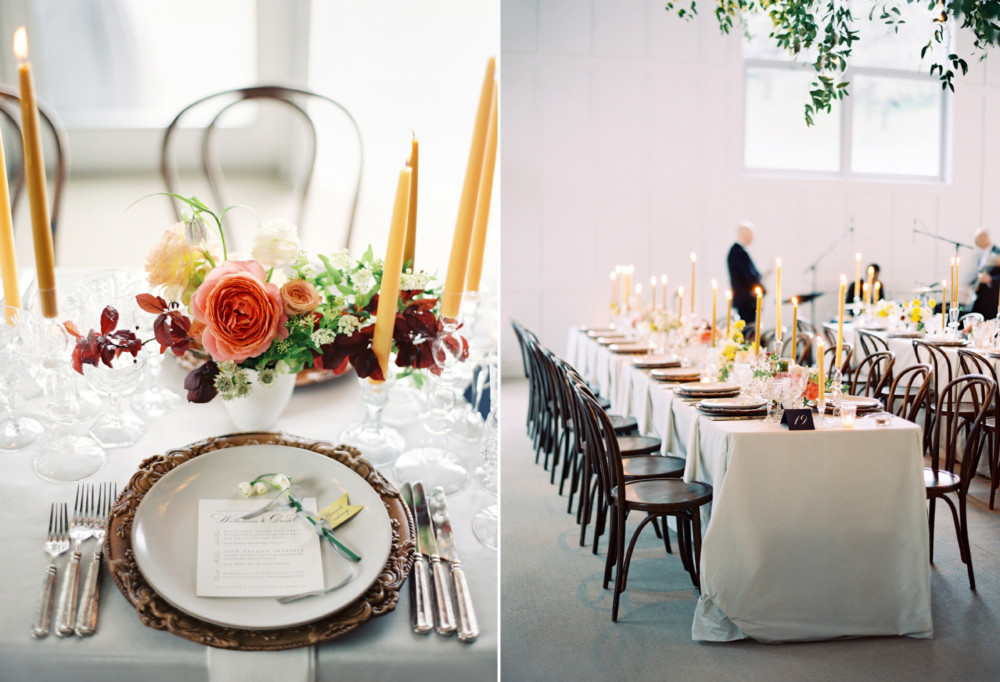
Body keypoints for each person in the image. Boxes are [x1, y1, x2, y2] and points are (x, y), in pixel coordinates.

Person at [727, 221, 765, 324]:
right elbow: (750, 276)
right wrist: (761, 289)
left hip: (743, 299)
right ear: (745, 235)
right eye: (751, 235)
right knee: (748, 330)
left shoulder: (735, 251)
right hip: (746, 300)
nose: (753, 238)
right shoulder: (739, 253)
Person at [966, 228, 1000, 317]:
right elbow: (980, 272)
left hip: (991, 300)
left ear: (984, 238)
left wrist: (990, 279)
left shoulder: (997, 253)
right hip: (979, 298)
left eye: (977, 239)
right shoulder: (982, 254)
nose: (975, 242)